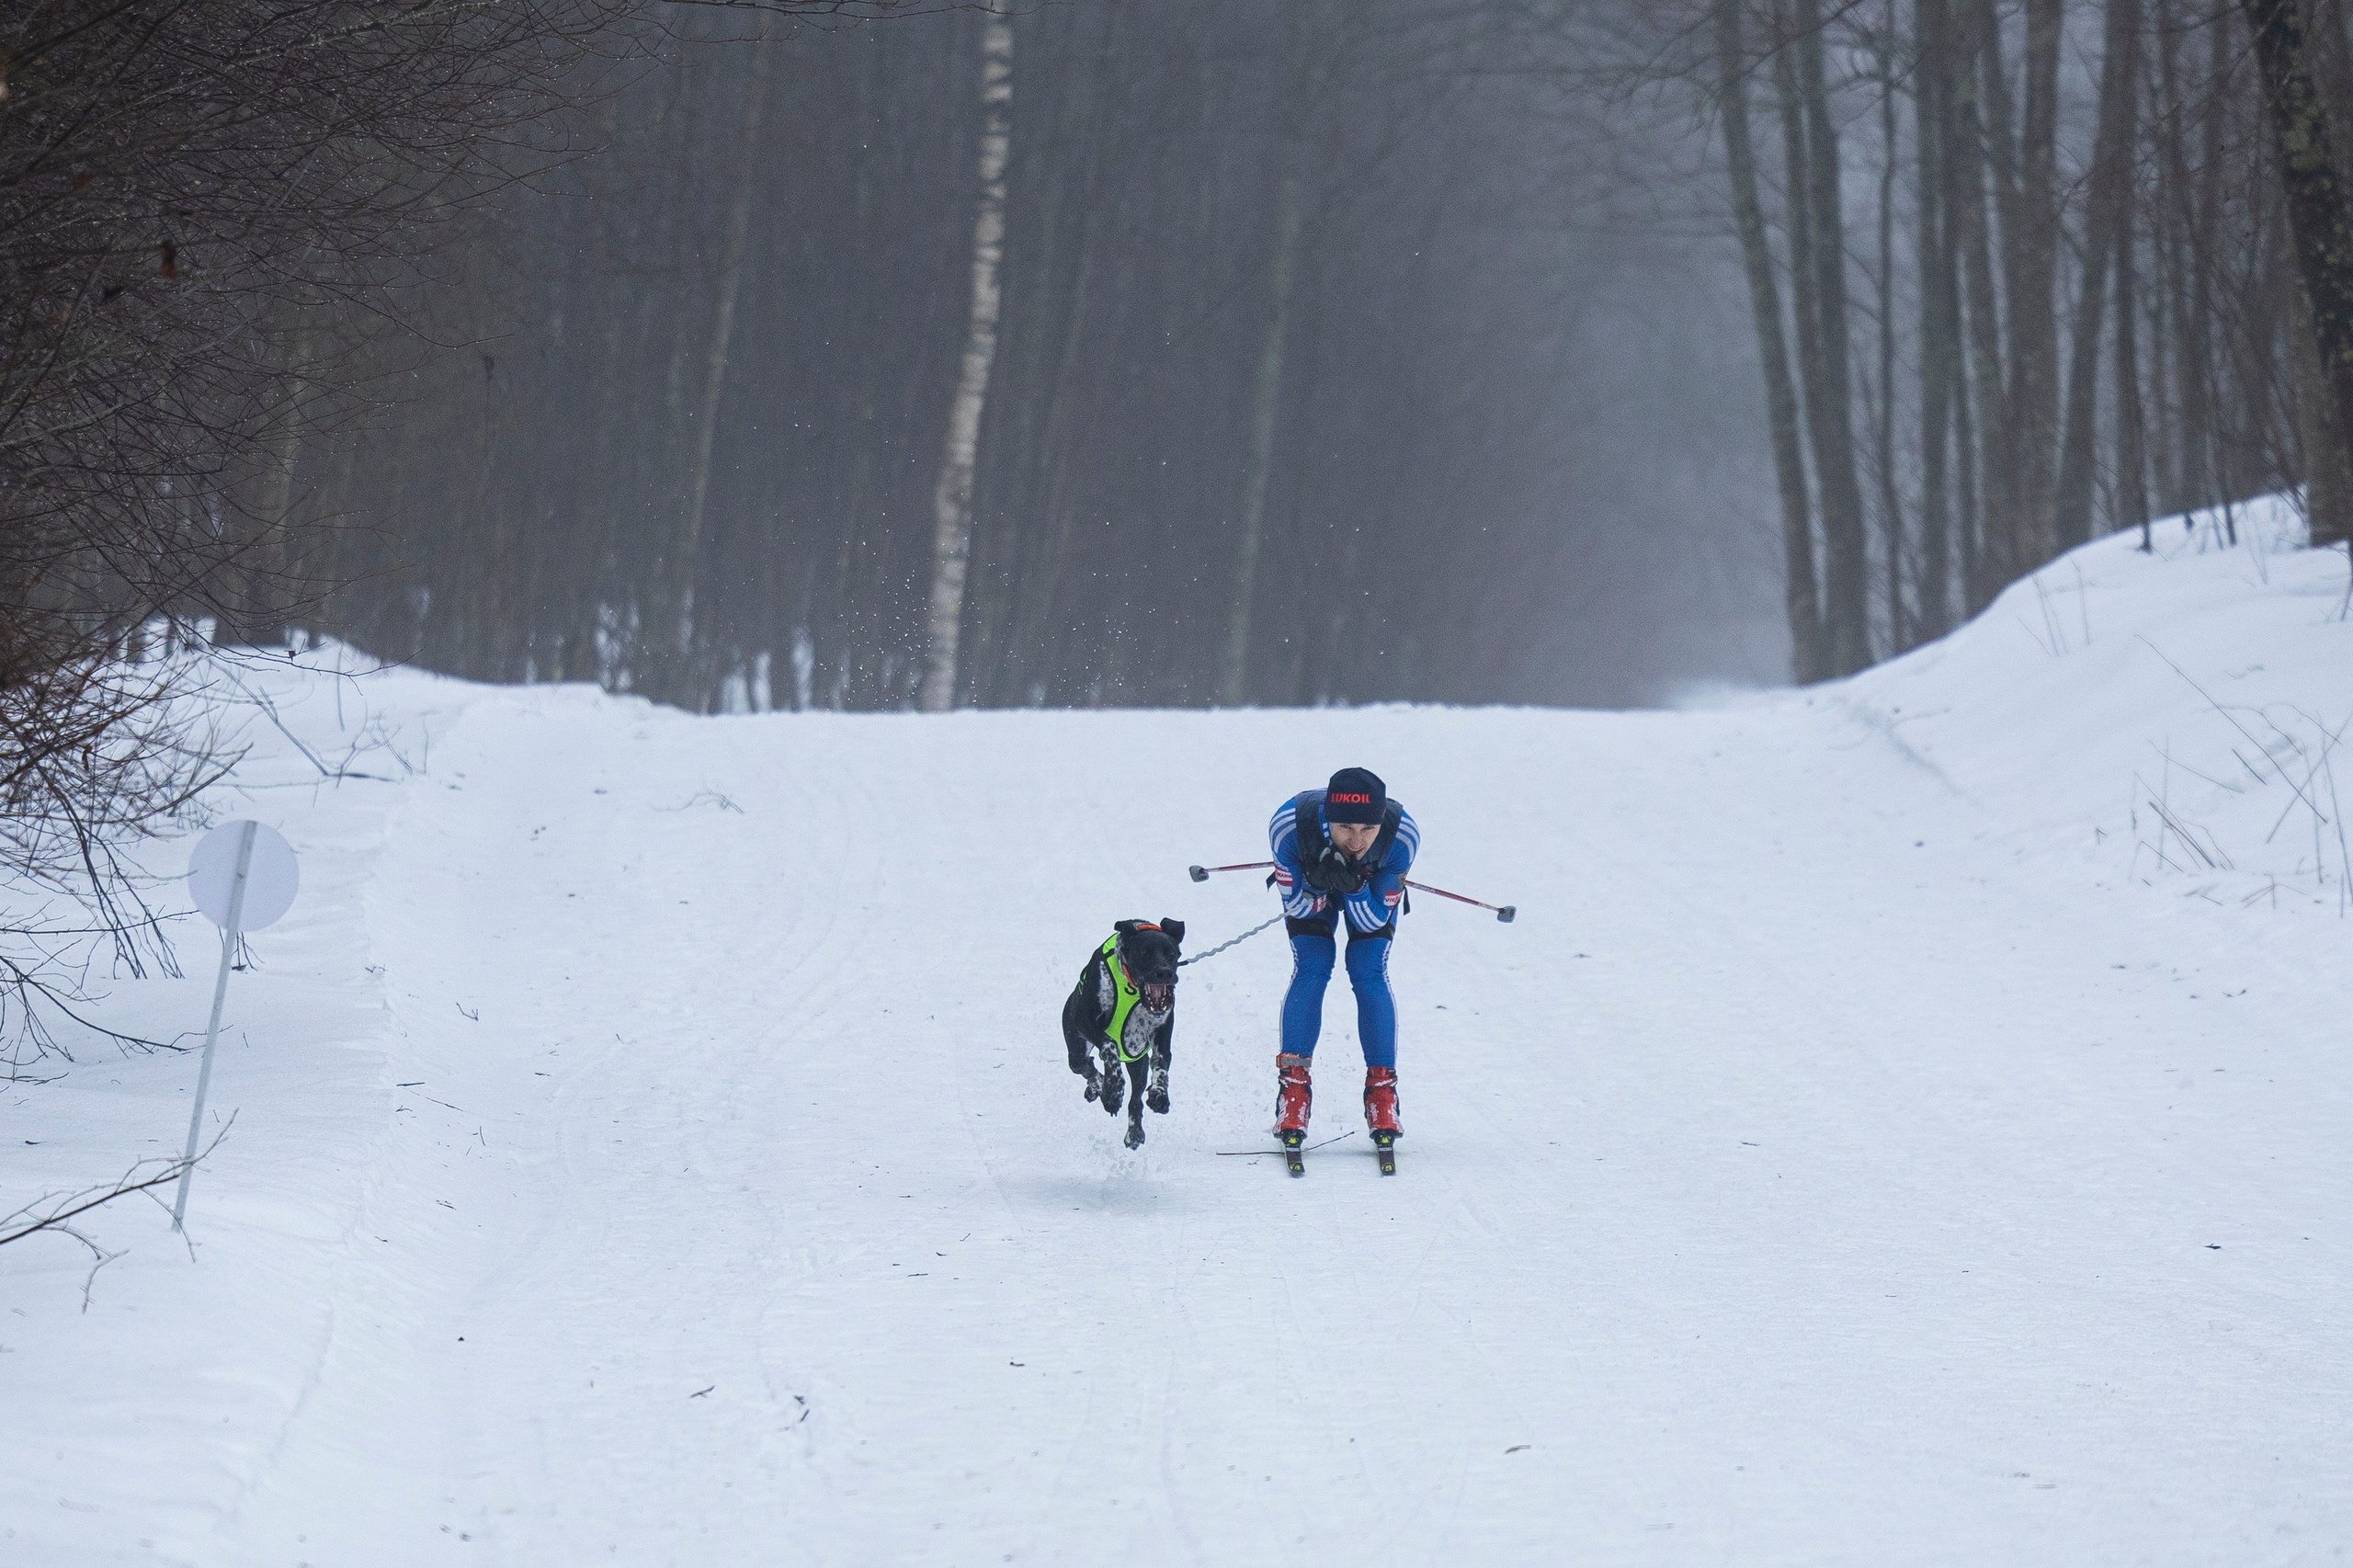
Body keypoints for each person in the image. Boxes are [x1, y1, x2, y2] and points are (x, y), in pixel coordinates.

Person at [1267, 766, 1417, 1149]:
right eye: (1345, 827)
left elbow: (1372, 921)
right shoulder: (1289, 828)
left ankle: (1382, 1094)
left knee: (1368, 968)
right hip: (1310, 878)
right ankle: (1293, 1091)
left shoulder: (1401, 836)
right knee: (1313, 965)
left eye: (1368, 829)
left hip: (1370, 889)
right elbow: (1298, 910)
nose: (1357, 841)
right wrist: (1317, 886)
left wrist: (1353, 889)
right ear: (1328, 817)